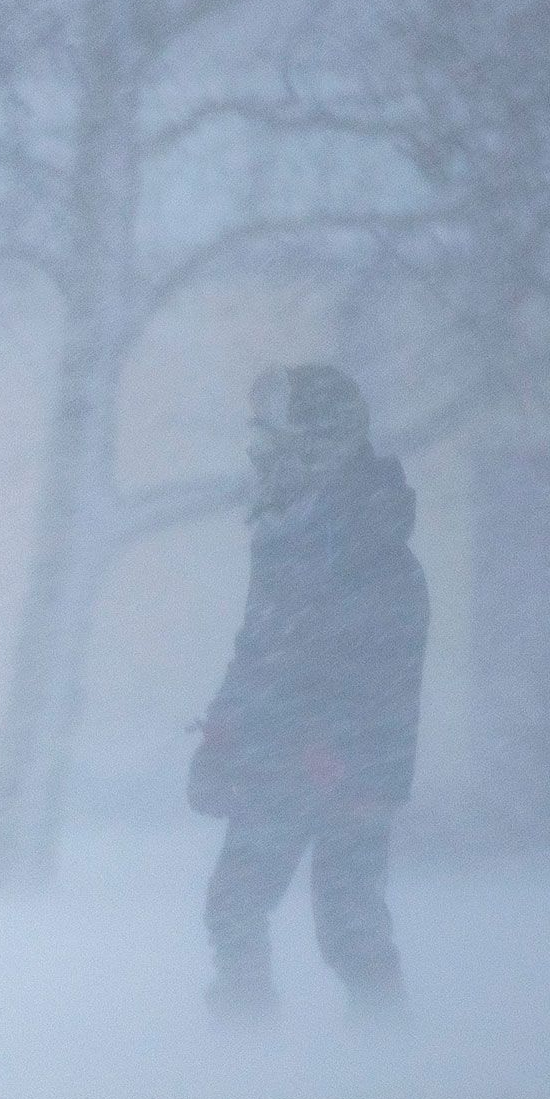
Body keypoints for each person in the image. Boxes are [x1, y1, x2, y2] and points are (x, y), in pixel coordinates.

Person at [187, 364, 429, 1021]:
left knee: (348, 924)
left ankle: (387, 1064)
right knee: (234, 905)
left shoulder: (373, 552)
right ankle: (245, 1057)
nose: (263, 455)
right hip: (277, 758)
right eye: (261, 438)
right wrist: (223, 736)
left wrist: (341, 760)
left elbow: (376, 680)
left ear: (321, 446)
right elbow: (258, 652)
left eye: (279, 441)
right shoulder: (285, 540)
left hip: (341, 769)